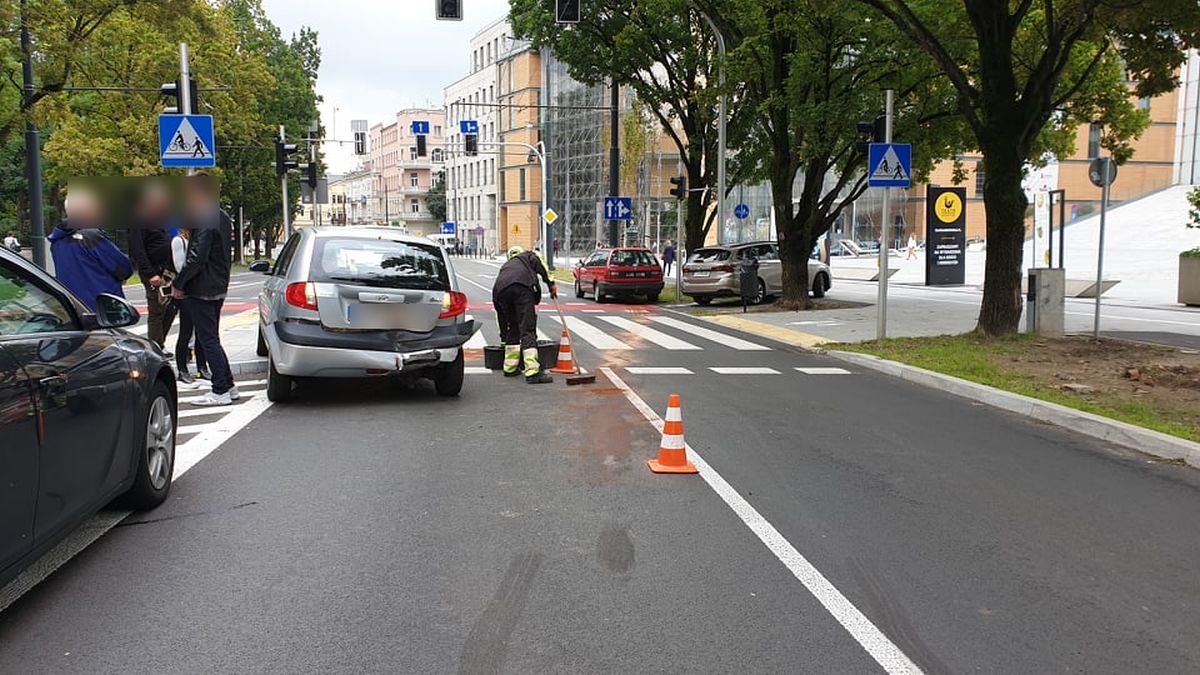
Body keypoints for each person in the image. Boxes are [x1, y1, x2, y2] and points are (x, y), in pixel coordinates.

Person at [172, 173, 236, 406]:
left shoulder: (204, 218)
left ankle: (220, 390)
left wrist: (179, 284)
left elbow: (197, 257)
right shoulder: (221, 215)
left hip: (202, 287)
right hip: (217, 284)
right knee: (212, 338)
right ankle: (228, 384)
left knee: (208, 339)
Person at [48, 187, 132, 311]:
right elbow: (123, 267)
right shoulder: (92, 237)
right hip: (102, 305)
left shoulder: (57, 240)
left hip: (74, 306)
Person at [492, 245, 556, 384]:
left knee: (513, 326)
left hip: (500, 292)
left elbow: (500, 315)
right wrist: (550, 283)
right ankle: (532, 372)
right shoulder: (528, 256)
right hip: (521, 288)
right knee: (527, 328)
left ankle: (510, 368)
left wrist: (504, 337)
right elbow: (540, 265)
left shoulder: (506, 267)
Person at [128, 181, 179, 351]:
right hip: (154, 272)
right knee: (157, 309)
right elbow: (137, 249)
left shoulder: (162, 219)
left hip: (168, 272)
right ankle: (156, 346)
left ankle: (159, 343)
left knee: (170, 308)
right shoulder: (140, 220)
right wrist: (150, 273)